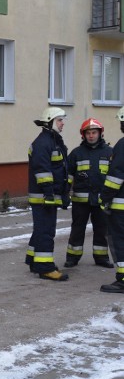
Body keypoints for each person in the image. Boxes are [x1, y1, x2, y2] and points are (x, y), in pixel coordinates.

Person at [25, 107, 70, 281]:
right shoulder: (44, 143)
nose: (62, 123)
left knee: (41, 229)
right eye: (59, 120)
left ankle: (33, 261)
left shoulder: (52, 140)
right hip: (44, 197)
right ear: (49, 121)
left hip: (48, 195)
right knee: (46, 231)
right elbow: (42, 171)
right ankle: (45, 268)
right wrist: (49, 194)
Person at [64, 118, 114, 269]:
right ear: (83, 135)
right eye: (88, 133)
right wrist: (65, 193)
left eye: (94, 132)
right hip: (81, 201)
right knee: (77, 229)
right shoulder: (76, 153)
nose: (91, 136)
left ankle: (101, 257)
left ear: (100, 133)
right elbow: (68, 176)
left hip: (101, 200)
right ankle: (72, 257)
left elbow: (115, 176)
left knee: (102, 229)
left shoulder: (110, 153)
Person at [99, 106, 124, 293]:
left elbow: (116, 176)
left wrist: (104, 197)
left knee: (119, 240)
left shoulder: (122, 145)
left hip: (120, 205)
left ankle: (122, 279)